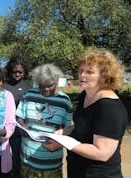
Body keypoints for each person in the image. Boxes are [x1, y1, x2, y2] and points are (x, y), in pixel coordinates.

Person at [44, 47, 129, 178]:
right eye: (81, 70)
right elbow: (82, 126)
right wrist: (61, 132)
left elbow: (102, 153)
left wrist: (65, 141)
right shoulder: (85, 94)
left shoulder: (109, 108)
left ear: (104, 76)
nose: (82, 75)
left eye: (89, 72)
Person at [16, 64, 73, 178]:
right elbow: (19, 117)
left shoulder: (64, 101)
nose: (45, 89)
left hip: (51, 163)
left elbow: (68, 128)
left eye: (49, 85)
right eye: (42, 86)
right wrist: (22, 126)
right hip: (28, 159)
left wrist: (59, 142)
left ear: (56, 81)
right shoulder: (29, 95)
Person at [4, 57, 32, 178]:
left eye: (20, 72)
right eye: (14, 71)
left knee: (20, 157)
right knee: (6, 156)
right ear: (10, 71)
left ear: (25, 72)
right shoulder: (4, 85)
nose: (17, 74)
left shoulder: (29, 85)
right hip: (6, 126)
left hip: (23, 127)